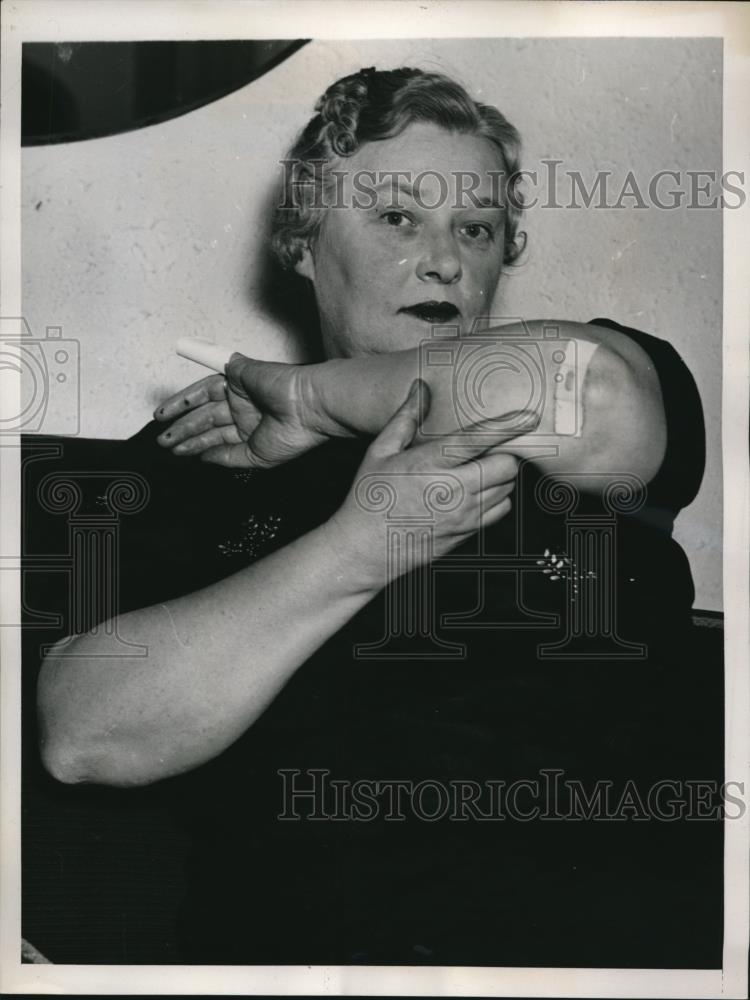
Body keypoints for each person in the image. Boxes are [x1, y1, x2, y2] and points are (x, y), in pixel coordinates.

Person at [28, 67, 721, 967]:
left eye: (476, 229)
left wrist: (312, 402)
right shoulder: (194, 453)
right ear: (305, 242)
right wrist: (359, 547)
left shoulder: (601, 371)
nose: (445, 260)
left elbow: (588, 395)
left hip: (626, 945)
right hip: (325, 948)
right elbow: (84, 732)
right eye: (398, 218)